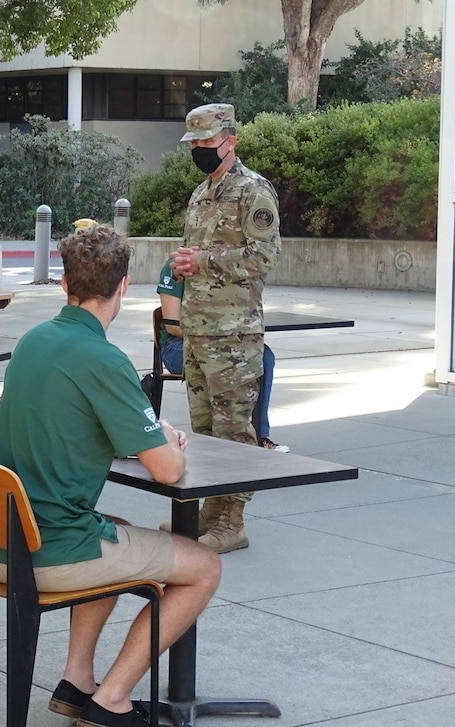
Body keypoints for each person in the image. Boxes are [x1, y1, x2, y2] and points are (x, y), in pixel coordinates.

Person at [0, 224, 221, 727]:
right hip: (49, 552)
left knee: (110, 523)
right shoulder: (104, 358)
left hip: (0, 544)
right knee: (204, 568)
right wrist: (165, 441)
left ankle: (77, 682)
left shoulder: (33, 341)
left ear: (64, 283)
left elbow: (76, 419)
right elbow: (166, 469)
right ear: (123, 286)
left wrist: (143, 426)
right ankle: (112, 699)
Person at [170, 103, 281, 555]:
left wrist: (204, 261)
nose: (199, 150)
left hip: (234, 335)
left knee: (234, 430)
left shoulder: (253, 192)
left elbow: (265, 258)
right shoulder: (202, 193)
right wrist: (184, 264)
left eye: (207, 142)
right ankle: (209, 514)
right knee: (203, 428)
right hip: (199, 329)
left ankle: (233, 522)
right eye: (194, 143)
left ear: (230, 141)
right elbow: (199, 257)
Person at [156, 257, 288, 452]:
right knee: (225, 359)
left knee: (263, 355)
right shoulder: (177, 264)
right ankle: (217, 439)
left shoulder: (227, 264)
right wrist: (217, 336)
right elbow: (172, 325)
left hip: (222, 341)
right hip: (179, 345)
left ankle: (260, 435)